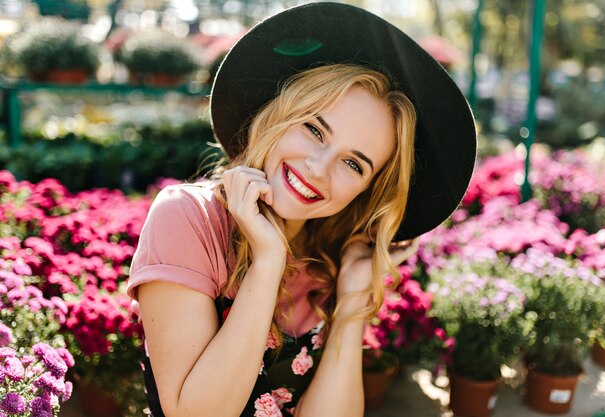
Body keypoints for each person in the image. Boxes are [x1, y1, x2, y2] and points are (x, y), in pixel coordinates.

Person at [126, 3, 476, 417]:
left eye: (353, 163)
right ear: (277, 114)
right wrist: (268, 260)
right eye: (313, 129)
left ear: (366, 190)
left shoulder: (330, 256)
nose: (318, 168)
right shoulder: (189, 219)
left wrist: (350, 306)